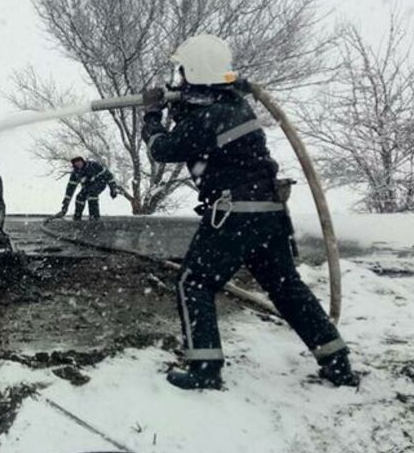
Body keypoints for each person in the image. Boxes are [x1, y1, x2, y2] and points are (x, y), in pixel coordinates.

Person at [142, 34, 359, 390]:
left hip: (235, 213)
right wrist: (179, 103)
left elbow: (164, 148)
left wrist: (151, 116)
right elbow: (200, 124)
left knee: (194, 283)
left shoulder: (212, 115)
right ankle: (337, 362)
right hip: (268, 214)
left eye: (182, 72)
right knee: (286, 288)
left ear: (194, 71)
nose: (177, 78)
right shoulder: (234, 108)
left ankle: (204, 370)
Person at [55, 157, 120, 221]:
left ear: (82, 161)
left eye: (79, 161)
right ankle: (77, 217)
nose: (78, 164)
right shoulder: (75, 173)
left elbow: (108, 175)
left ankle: (94, 217)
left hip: (100, 183)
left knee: (92, 194)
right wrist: (65, 205)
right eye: (75, 163)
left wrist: (113, 188)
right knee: (79, 197)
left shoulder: (93, 165)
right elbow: (70, 189)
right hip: (87, 186)